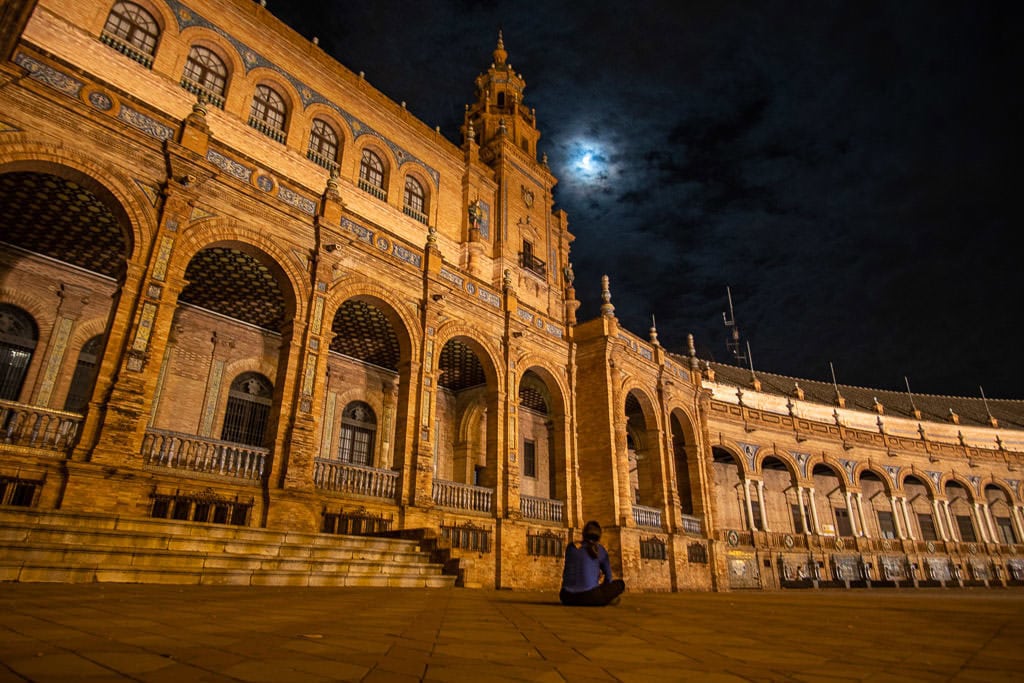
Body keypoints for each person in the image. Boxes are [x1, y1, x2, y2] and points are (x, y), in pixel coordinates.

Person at [559, 520, 625, 606]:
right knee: (620, 584)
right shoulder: (600, 550)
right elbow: (609, 578)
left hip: (566, 597)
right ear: (599, 536)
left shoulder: (571, 547)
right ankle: (607, 599)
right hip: (591, 597)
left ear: (583, 533)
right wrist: (601, 587)